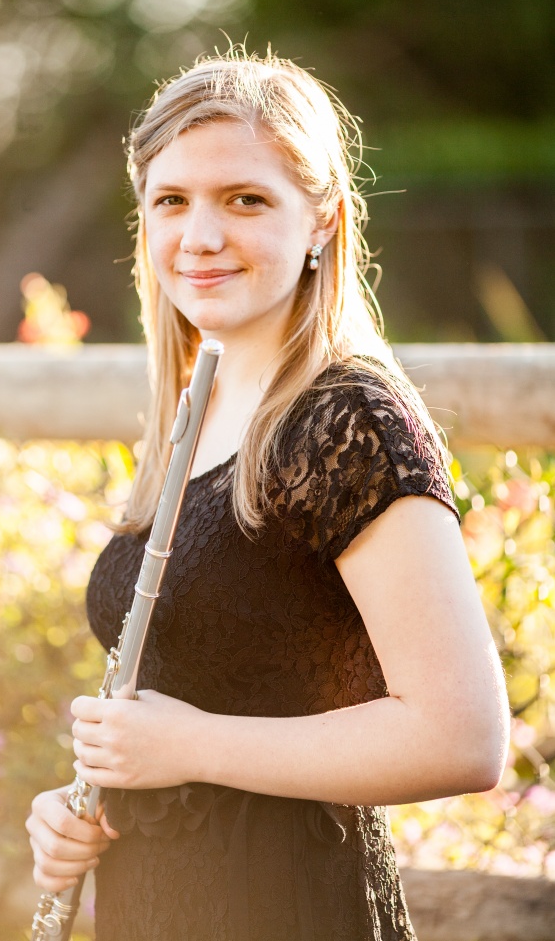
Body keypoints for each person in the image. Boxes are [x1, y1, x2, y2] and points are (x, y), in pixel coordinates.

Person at [26, 49, 509, 941]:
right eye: (170, 201)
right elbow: (195, 692)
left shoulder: (348, 418)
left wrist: (188, 745)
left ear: (321, 217)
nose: (199, 236)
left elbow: (462, 736)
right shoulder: (192, 410)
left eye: (243, 199)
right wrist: (81, 806)